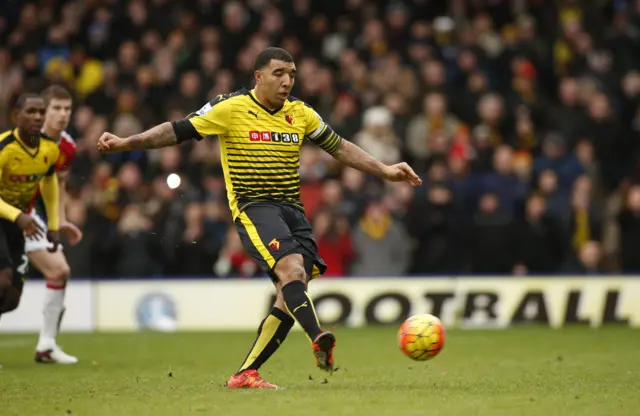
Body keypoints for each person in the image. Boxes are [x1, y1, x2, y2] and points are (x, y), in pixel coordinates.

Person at [97, 47, 422, 389]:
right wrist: (127, 142)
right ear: (259, 76)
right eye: (279, 73)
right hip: (254, 206)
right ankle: (318, 335)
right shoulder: (230, 107)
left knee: (291, 291)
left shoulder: (301, 113)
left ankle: (245, 374)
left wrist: (385, 170)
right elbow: (176, 130)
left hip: (292, 210)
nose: (287, 81)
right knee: (292, 270)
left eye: (292, 75)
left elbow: (339, 146)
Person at [0, 94, 61, 355]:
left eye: (41, 111)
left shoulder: (50, 149)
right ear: (16, 116)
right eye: (31, 111)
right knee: (1, 283)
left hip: (17, 225)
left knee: (11, 299)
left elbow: (49, 183)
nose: (37, 116)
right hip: (5, 219)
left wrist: (54, 224)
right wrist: (17, 216)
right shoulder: (4, 148)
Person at [26, 85, 80, 364]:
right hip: (9, 211)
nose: (62, 114)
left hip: (31, 215)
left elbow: (58, 185)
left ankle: (46, 346)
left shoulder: (67, 146)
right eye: (56, 108)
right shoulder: (25, 140)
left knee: (59, 271)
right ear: (43, 112)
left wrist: (60, 221)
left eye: (67, 109)